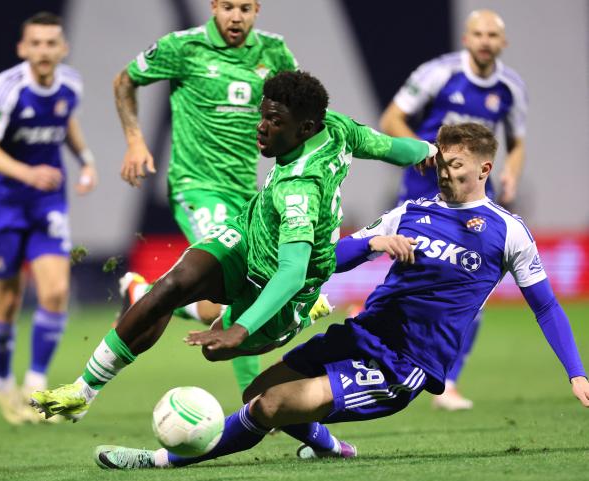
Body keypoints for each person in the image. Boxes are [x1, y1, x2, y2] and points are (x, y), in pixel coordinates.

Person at [90, 122, 589, 470]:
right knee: (254, 393)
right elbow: (331, 256)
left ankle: (163, 459)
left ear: (483, 170)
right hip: (360, 335)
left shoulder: (508, 233)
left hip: (405, 363)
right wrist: (372, 241)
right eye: (439, 160)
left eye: (455, 164)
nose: (443, 170)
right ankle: (329, 448)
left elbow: (544, 305)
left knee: (270, 406)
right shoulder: (410, 212)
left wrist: (576, 372)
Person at [30, 71, 436, 423]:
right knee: (172, 284)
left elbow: (291, 271)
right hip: (247, 235)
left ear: (305, 128)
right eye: (263, 114)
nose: (262, 126)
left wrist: (241, 328)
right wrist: (428, 150)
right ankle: (82, 393)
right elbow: (391, 147)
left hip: (284, 281)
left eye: (274, 121)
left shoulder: (300, 189)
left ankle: (306, 320)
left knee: (218, 352)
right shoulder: (337, 127)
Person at [112, 0, 300, 392]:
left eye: (245, 8)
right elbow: (124, 81)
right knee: (237, 293)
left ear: (257, 9)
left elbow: (301, 111)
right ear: (213, 6)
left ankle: (150, 293)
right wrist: (134, 141)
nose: (236, 16)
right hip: (194, 186)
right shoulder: (183, 47)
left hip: (246, 193)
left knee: (248, 291)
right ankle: (258, 400)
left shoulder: (274, 51)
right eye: (228, 6)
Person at [379, 9, 527, 409]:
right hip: (422, 191)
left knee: (474, 291)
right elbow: (392, 119)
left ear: (502, 43)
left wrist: (511, 174)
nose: (484, 41)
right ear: (466, 38)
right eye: (477, 33)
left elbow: (516, 142)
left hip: (474, 202)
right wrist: (422, 150)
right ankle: (375, 343)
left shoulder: (510, 87)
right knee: (411, 279)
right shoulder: (438, 73)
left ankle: (449, 381)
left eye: (492, 35)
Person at [0, 12, 98, 424]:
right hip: (3, 204)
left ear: (63, 48)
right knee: (6, 302)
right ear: (23, 49)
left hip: (47, 204)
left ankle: (33, 384)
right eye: (36, 44)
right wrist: (29, 173)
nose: (44, 51)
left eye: (51, 43)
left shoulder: (71, 84)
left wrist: (86, 160)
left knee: (56, 291)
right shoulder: (5, 88)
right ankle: (2, 381)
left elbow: (67, 123)